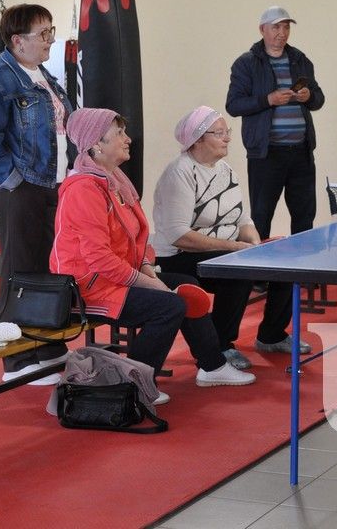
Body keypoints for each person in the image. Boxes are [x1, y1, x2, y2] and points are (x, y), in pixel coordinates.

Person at [50, 108, 256, 403]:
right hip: (89, 286)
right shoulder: (84, 188)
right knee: (169, 305)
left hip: (118, 276)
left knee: (187, 284)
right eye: (118, 134)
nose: (127, 139)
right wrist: (150, 283)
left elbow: (140, 239)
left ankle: (212, 366)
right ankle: (133, 383)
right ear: (96, 145)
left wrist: (147, 268)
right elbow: (98, 259)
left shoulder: (116, 181)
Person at [150, 105, 311, 372]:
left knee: (286, 261)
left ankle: (271, 335)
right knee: (238, 271)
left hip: (226, 250)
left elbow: (242, 219)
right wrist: (235, 249)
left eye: (228, 132)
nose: (227, 138)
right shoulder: (179, 173)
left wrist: (255, 244)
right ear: (198, 139)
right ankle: (222, 344)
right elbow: (179, 235)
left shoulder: (225, 170)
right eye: (219, 133)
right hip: (181, 257)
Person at [0, 4, 75, 385]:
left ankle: (43, 345)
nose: (50, 39)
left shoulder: (41, 73)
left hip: (49, 182)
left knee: (45, 267)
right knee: (20, 268)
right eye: (43, 33)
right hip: (19, 186)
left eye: (51, 30)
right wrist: (14, 182)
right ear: (18, 40)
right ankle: (17, 361)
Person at [225, 5, 325, 241]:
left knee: (304, 216)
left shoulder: (300, 60)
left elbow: (319, 99)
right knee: (261, 216)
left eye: (286, 27)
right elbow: (234, 105)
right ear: (262, 30)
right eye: (276, 27)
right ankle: (260, 277)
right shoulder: (246, 63)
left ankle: (304, 276)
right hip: (266, 153)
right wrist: (267, 100)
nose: (282, 32)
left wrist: (309, 96)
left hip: (301, 152)